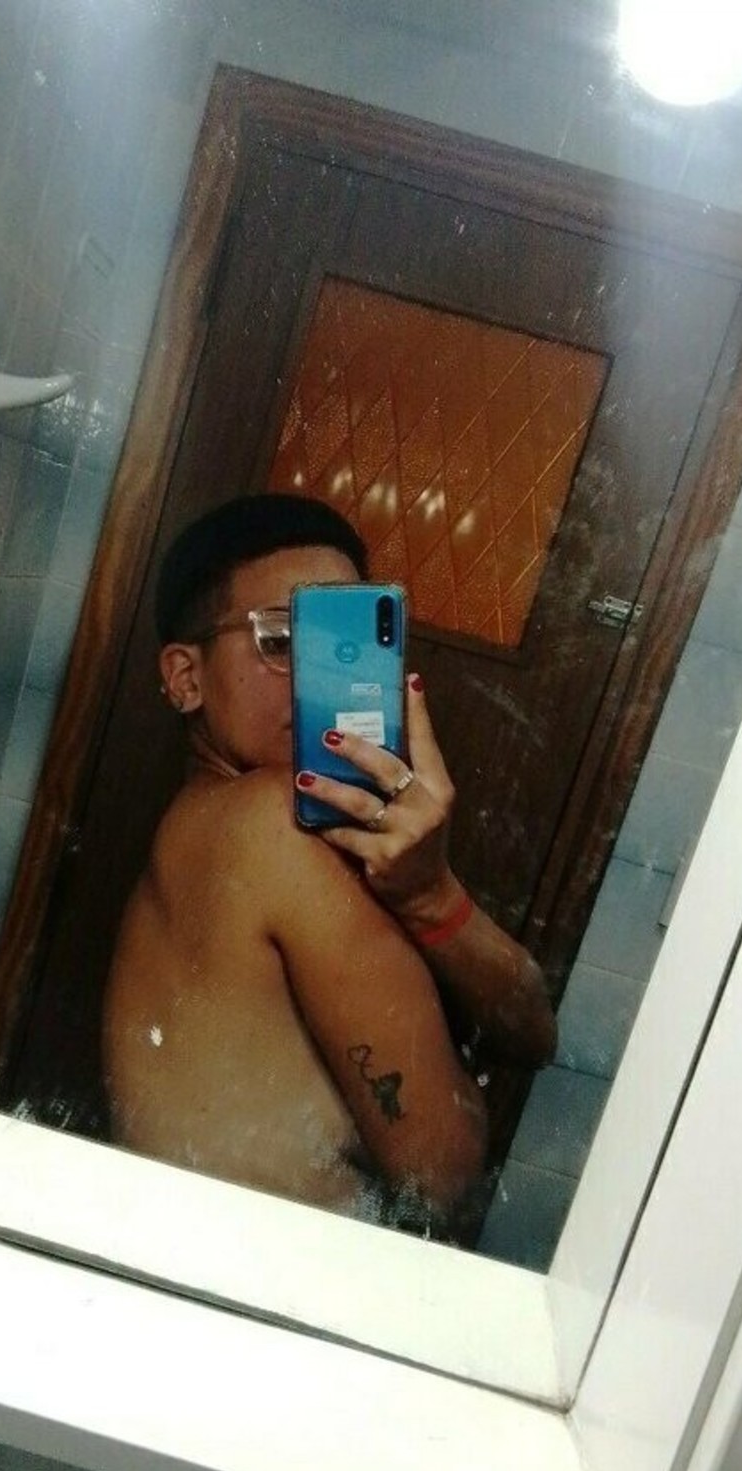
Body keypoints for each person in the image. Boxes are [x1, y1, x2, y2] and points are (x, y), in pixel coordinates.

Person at [102, 494, 556, 1240]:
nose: (319, 677)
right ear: (185, 677)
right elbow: (443, 1176)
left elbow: (533, 1034)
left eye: (341, 641)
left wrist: (430, 894)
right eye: (281, 640)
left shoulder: (207, 822)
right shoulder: (277, 823)